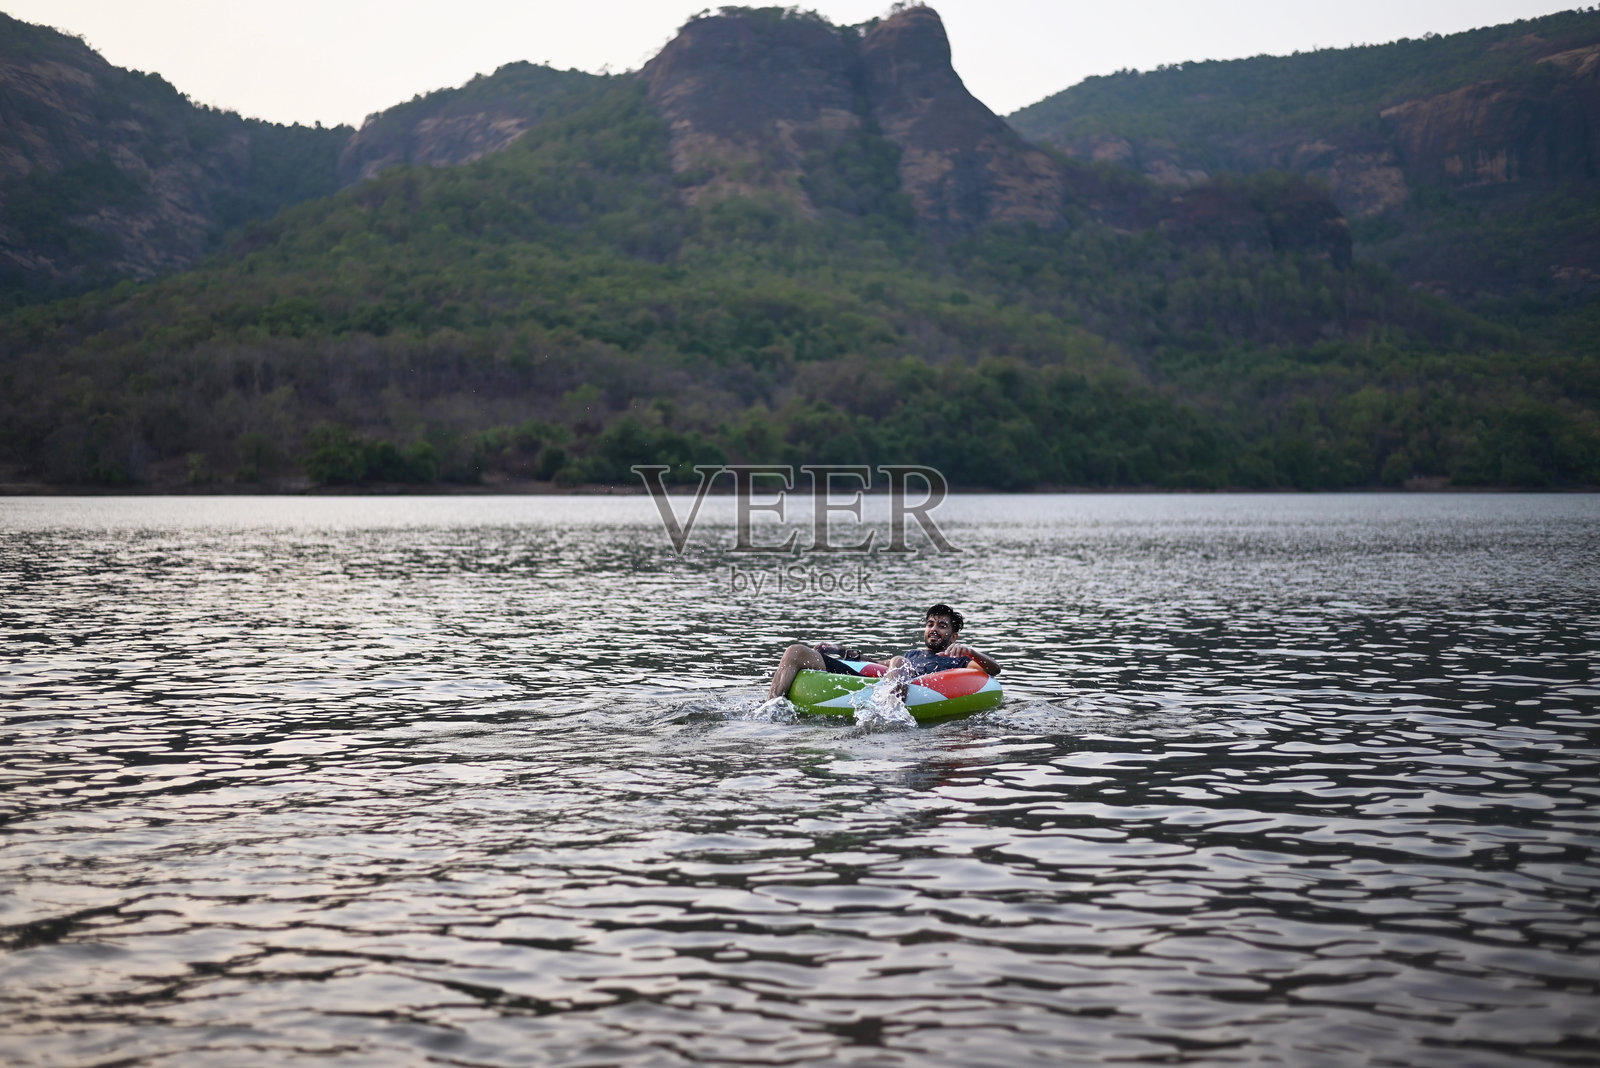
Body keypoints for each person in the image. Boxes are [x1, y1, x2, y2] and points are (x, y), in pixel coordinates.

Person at [766, 603, 1001, 700]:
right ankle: (769, 707)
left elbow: (994, 670)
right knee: (795, 651)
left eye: (942, 626)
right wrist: (839, 650)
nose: (934, 629)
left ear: (953, 636)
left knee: (898, 660)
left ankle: (886, 714)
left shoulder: (959, 661)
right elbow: (873, 664)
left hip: (913, 693)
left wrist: (971, 652)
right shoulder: (912, 655)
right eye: (930, 624)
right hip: (883, 681)